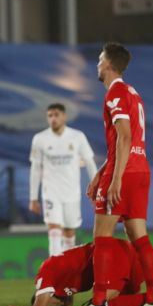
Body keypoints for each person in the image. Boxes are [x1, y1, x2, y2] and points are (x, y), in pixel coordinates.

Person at [77, 42, 153, 306]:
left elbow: (124, 136)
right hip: (140, 170)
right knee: (139, 236)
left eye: (100, 60)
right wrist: (101, 173)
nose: (97, 64)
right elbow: (124, 142)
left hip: (124, 174)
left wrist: (114, 181)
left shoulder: (114, 93)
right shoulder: (132, 93)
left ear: (109, 65)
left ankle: (99, 301)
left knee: (101, 236)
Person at [4, 240, 153, 306]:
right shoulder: (64, 292)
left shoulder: (44, 273)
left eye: (50, 305)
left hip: (109, 255)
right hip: (124, 254)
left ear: (41, 294)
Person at [29, 103, 97, 256]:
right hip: (51, 192)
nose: (53, 119)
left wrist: (96, 187)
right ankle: (54, 274)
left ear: (64, 117)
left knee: (69, 232)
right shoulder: (40, 139)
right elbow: (36, 168)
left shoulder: (77, 137)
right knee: (54, 229)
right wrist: (33, 197)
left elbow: (90, 162)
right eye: (50, 116)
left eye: (56, 115)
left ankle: (67, 273)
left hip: (71, 192)